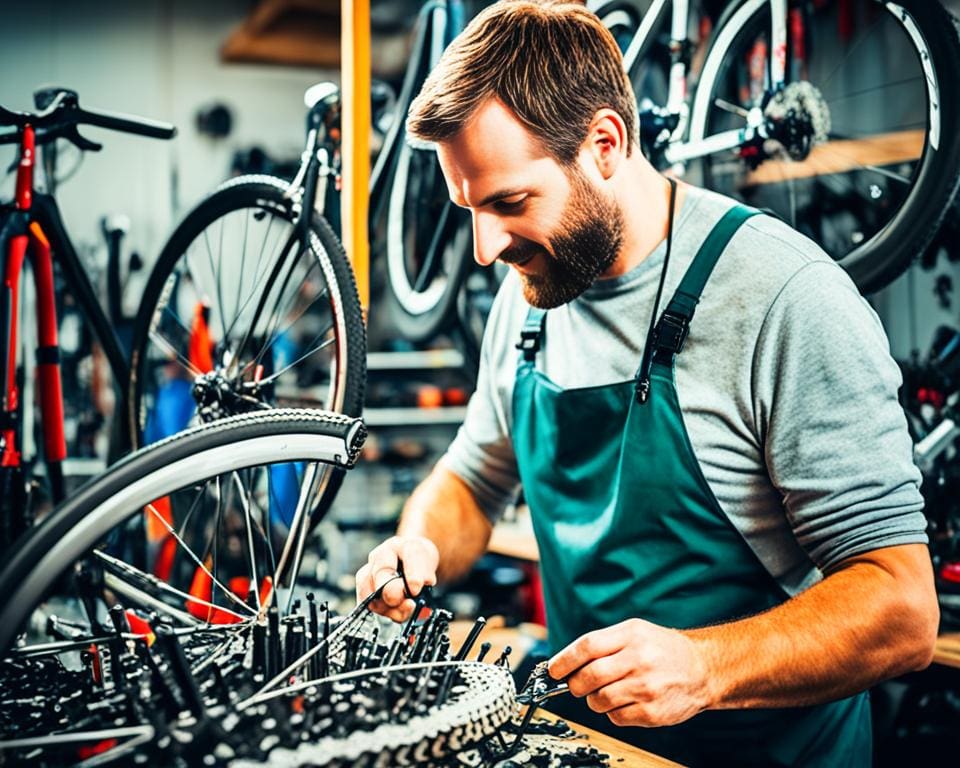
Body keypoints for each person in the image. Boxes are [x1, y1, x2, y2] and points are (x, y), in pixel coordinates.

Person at [356, 1, 939, 764]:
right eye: (470, 208)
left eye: (509, 203)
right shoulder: (530, 294)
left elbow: (900, 606)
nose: (484, 247)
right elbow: (473, 475)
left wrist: (705, 666)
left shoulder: (785, 297)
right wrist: (417, 544)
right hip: (594, 748)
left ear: (605, 143)